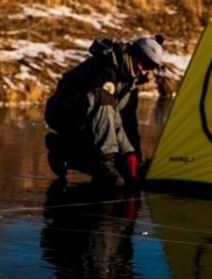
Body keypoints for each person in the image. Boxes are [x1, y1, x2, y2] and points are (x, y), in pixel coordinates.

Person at [44, 35, 164, 188]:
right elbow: (107, 109)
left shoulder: (131, 83)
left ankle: (61, 150)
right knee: (104, 98)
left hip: (92, 121)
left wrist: (134, 156)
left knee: (123, 169)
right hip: (62, 112)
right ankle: (103, 161)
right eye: (146, 65)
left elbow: (128, 122)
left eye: (152, 68)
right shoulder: (106, 66)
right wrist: (121, 153)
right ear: (134, 55)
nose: (146, 72)